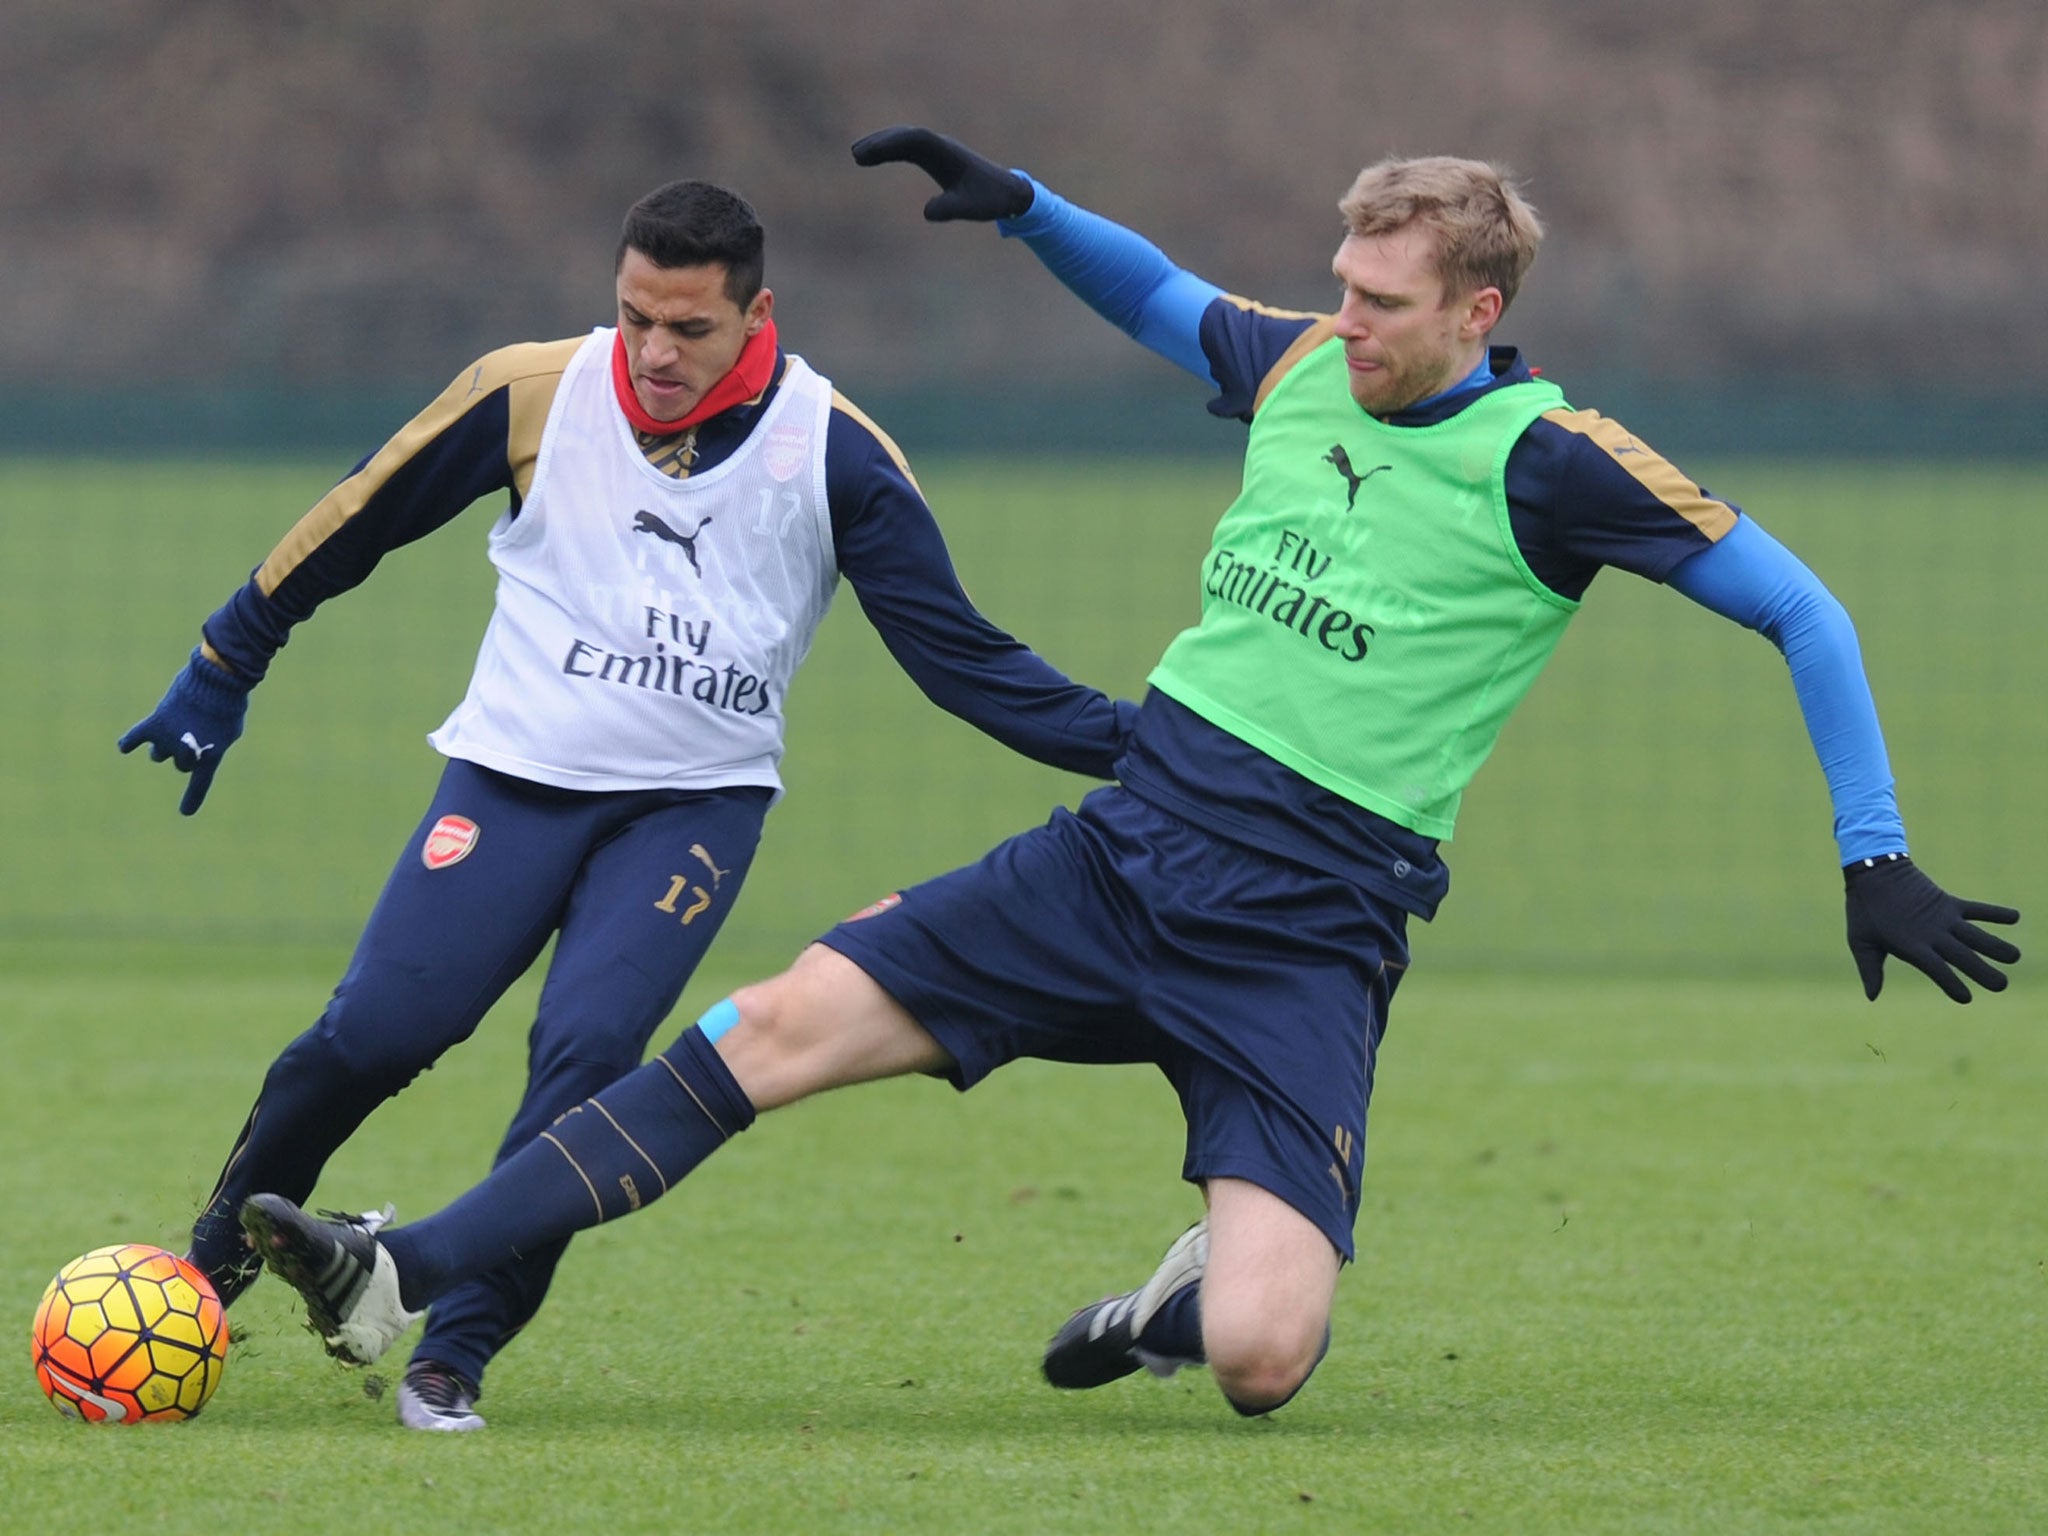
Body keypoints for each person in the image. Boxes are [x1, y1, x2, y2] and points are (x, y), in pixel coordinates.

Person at [237, 128, 2021, 1421]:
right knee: (771, 1025)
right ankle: (402, 1265)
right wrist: (1023, 210)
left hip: (1305, 937)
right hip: (1121, 851)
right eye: (1337, 284)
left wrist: (1873, 850)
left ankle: (1188, 1285)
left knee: (1258, 1364)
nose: (1342, 321)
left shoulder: (1552, 464)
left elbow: (1802, 607)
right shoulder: (1306, 369)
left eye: (1384, 300)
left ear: (1479, 307)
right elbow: (1164, 297)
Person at [118, 177, 1136, 1432]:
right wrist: (226, 660)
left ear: (757, 311)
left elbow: (965, 661)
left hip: (689, 814)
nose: (654, 352)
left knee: (586, 1063)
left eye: (689, 328)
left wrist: (1144, 748)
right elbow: (354, 516)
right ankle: (213, 1262)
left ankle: (453, 1353)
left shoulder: (835, 453)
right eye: (634, 316)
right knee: (371, 1036)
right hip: (508, 781)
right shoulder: (532, 389)